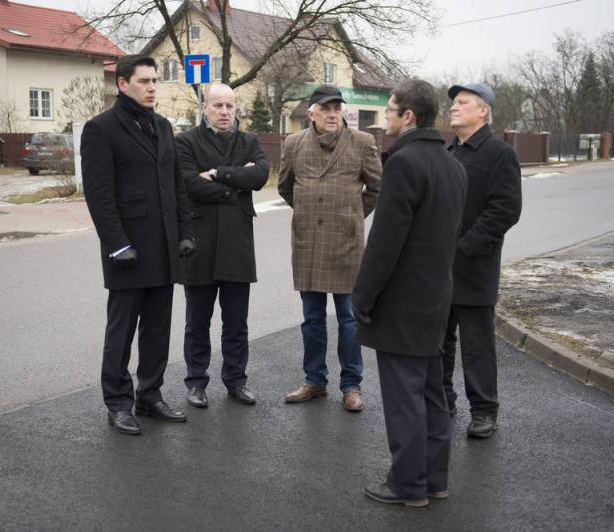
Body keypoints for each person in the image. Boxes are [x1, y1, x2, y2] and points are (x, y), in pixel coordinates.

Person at [352, 79, 467, 506]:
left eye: (390, 110)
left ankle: (408, 485)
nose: (386, 117)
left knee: (404, 399)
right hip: (436, 298)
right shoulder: (452, 164)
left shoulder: (403, 163)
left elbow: (385, 243)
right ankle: (434, 480)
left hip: (401, 303)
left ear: (409, 116)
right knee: (432, 394)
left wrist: (362, 298)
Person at [81, 55, 196, 435]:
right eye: (144, 81)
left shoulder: (162, 126)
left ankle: (150, 394)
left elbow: (176, 186)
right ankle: (117, 402)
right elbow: (99, 195)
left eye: (154, 81)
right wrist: (116, 245)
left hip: (163, 247)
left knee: (157, 329)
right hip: (127, 250)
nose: (152, 88)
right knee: (122, 330)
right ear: (122, 83)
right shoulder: (101, 129)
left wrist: (185, 232)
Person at [278, 85, 382, 412]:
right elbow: (284, 186)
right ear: (311, 113)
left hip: (346, 243)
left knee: (349, 319)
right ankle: (314, 380)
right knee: (312, 319)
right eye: (325, 108)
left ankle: (351, 385)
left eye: (337, 108)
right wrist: (309, 213)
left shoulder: (362, 142)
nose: (332, 114)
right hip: (308, 243)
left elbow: (377, 187)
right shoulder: (294, 144)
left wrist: (352, 216)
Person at [176, 83, 269, 408]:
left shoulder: (249, 141)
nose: (225, 112)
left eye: (230, 105)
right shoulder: (186, 141)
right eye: (217, 105)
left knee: (236, 324)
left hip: (237, 244)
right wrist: (236, 185)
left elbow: (260, 176)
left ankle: (236, 381)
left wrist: (216, 174)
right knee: (197, 324)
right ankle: (196, 382)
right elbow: (188, 183)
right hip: (199, 243)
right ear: (205, 108)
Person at [441, 82, 522, 438]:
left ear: (483, 110)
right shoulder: (448, 152)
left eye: (463, 102)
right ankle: (443, 399)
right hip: (438, 269)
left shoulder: (498, 153)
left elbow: (505, 209)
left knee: (477, 347)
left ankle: (484, 411)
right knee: (438, 341)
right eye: (454, 103)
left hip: (474, 268)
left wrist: (464, 248)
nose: (454, 107)